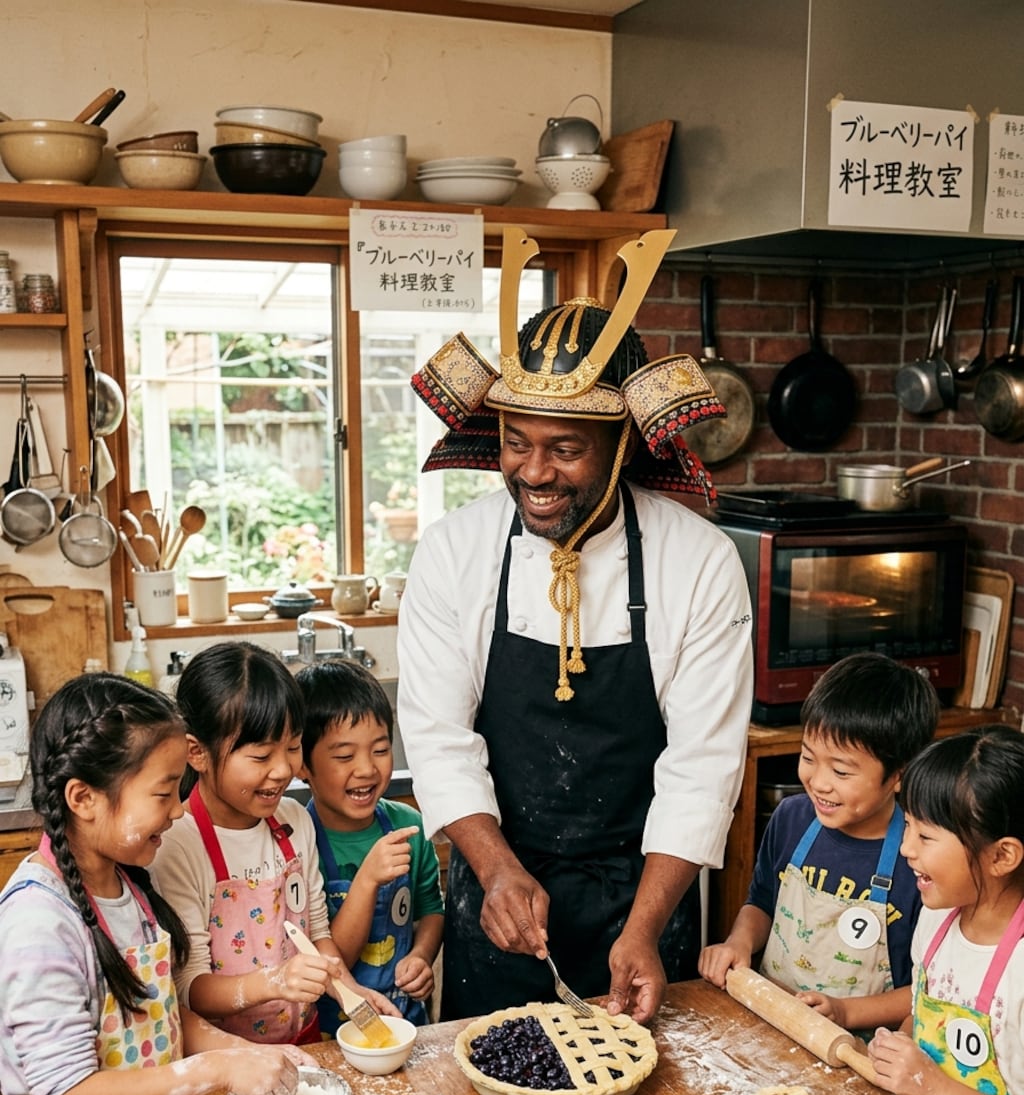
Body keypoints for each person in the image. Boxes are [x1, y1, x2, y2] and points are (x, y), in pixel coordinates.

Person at [397, 225, 754, 1024]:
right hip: (498, 890)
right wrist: (493, 870)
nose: (534, 472)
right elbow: (437, 735)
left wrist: (646, 927)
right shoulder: (455, 552)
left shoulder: (695, 562)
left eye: (566, 448)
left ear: (623, 444)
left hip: (644, 893)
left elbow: (702, 767)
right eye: (517, 444)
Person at [0, 675, 306, 1095]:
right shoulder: (39, 918)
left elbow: (164, 1020)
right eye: (163, 793)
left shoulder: (125, 885)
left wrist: (244, 1054)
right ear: (83, 797)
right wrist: (219, 1069)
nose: (177, 810)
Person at [149, 642, 392, 1095]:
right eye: (260, 754)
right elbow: (190, 989)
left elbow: (315, 931)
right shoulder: (181, 843)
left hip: (305, 1057)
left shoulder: (293, 822)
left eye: (289, 746)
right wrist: (269, 984)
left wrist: (346, 989)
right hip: (224, 1080)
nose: (284, 769)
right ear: (197, 752)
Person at [699, 652, 941, 1033]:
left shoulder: (920, 859)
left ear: (899, 774)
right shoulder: (791, 819)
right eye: (808, 757)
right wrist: (738, 943)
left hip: (858, 1048)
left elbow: (926, 993)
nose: (819, 782)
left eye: (841, 771)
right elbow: (761, 903)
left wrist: (845, 1012)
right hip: (770, 1022)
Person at [868, 725, 1024, 1095]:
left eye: (926, 836)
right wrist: (898, 1046)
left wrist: (934, 1090)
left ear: (1001, 856)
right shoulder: (936, 919)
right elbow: (922, 1014)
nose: (906, 849)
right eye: (908, 826)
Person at [295, 660, 444, 1033]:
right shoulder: (298, 842)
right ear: (302, 764)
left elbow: (431, 909)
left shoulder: (410, 826)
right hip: (330, 1031)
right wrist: (367, 880)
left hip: (403, 1020)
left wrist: (422, 956)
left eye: (379, 750)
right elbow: (332, 958)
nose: (366, 769)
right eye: (344, 756)